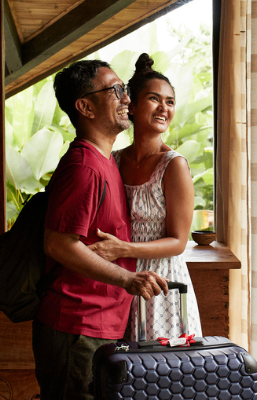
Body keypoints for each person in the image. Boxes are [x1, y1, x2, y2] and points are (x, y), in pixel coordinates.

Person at [36, 59, 169, 400]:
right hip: (76, 327)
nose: (127, 99)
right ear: (85, 106)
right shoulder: (84, 167)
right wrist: (128, 279)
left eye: (125, 89)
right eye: (115, 91)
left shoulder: (107, 160)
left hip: (101, 324)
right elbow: (58, 245)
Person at [87, 53, 203, 341]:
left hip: (161, 286)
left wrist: (123, 249)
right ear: (133, 106)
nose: (164, 107)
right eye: (154, 99)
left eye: (170, 101)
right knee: (120, 375)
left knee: (160, 377)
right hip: (118, 281)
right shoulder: (112, 160)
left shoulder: (173, 165)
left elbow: (178, 242)